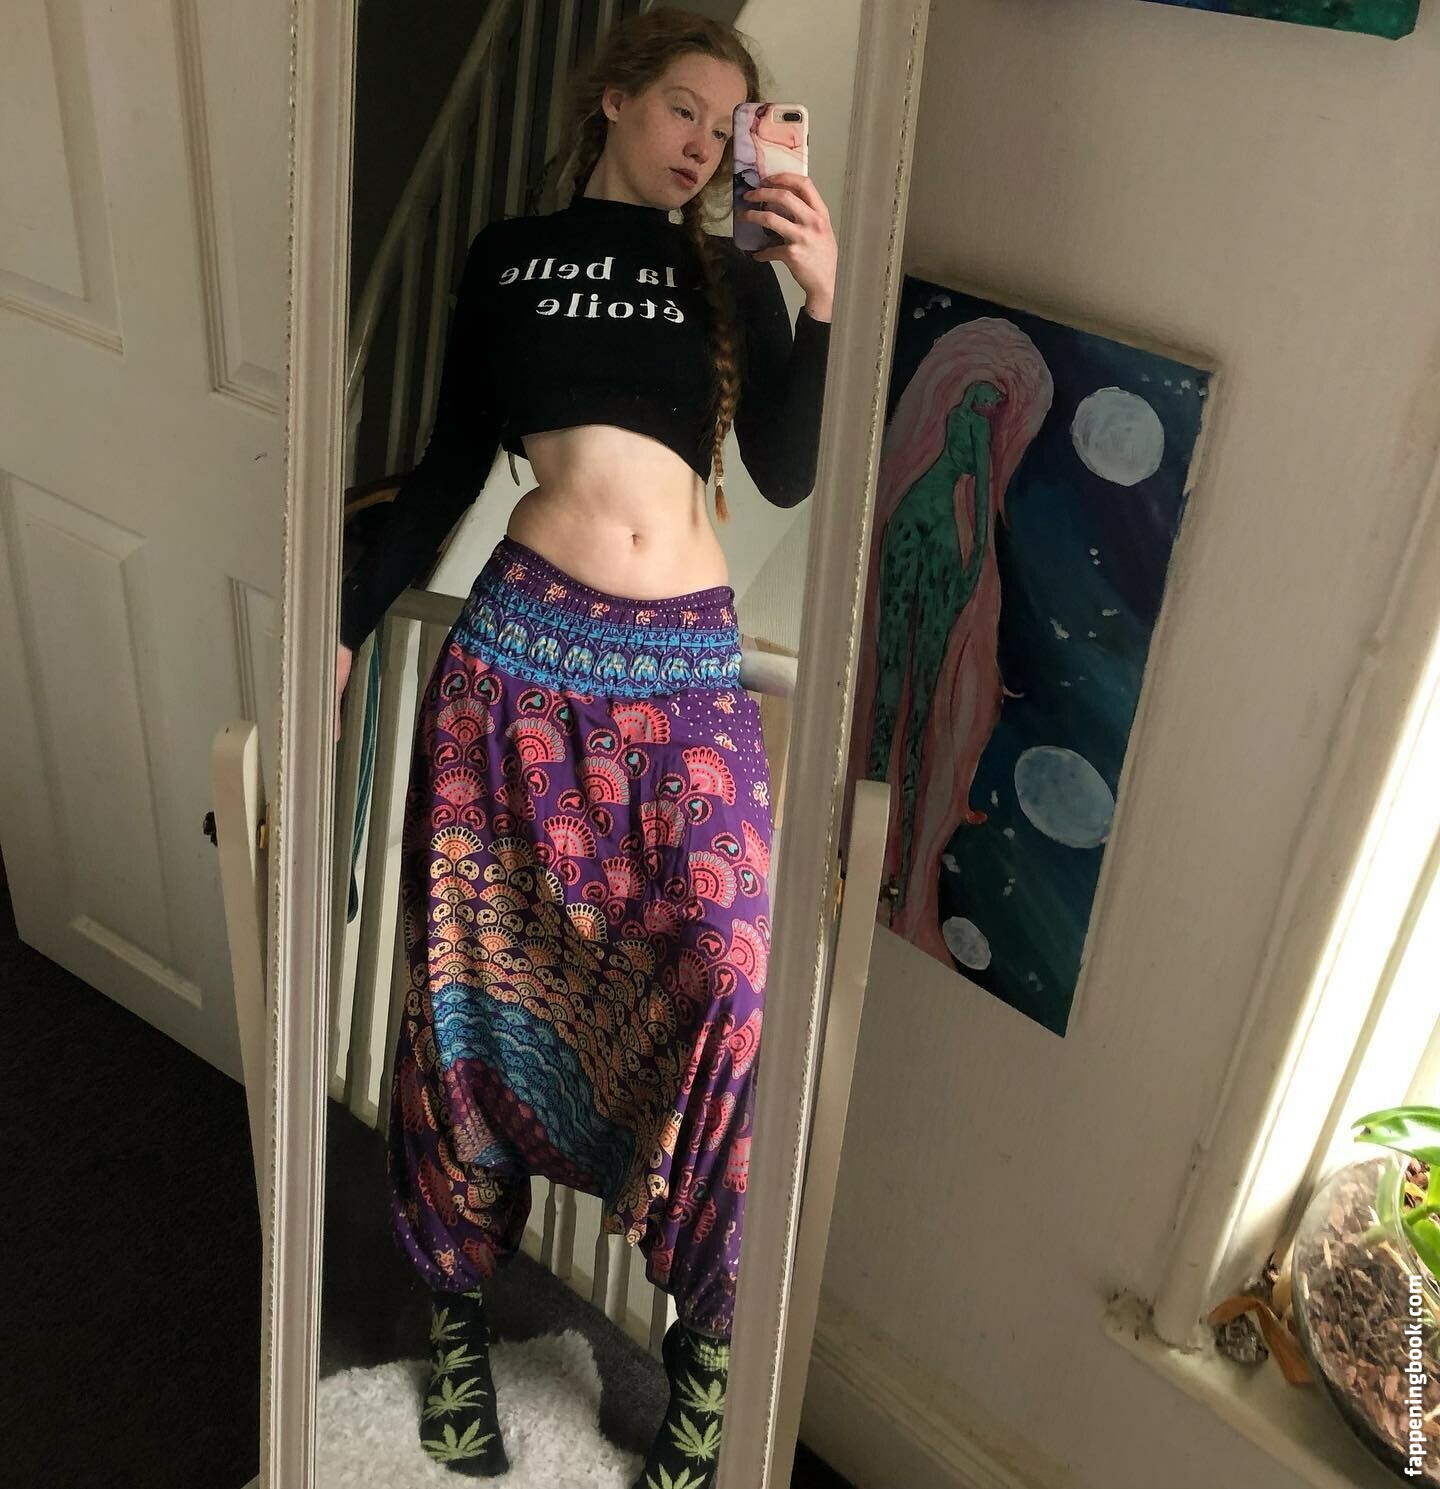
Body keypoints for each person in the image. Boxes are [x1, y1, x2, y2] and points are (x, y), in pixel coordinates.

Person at [334, 8, 836, 1483]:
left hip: (682, 681)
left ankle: (701, 1369)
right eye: (682, 107)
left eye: (728, 128)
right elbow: (445, 465)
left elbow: (787, 468)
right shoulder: (509, 257)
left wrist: (821, 291)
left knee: (731, 981)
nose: (702, 145)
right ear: (613, 100)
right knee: (463, 988)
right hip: (517, 669)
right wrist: (349, 624)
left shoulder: (730, 271)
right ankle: (454, 1324)